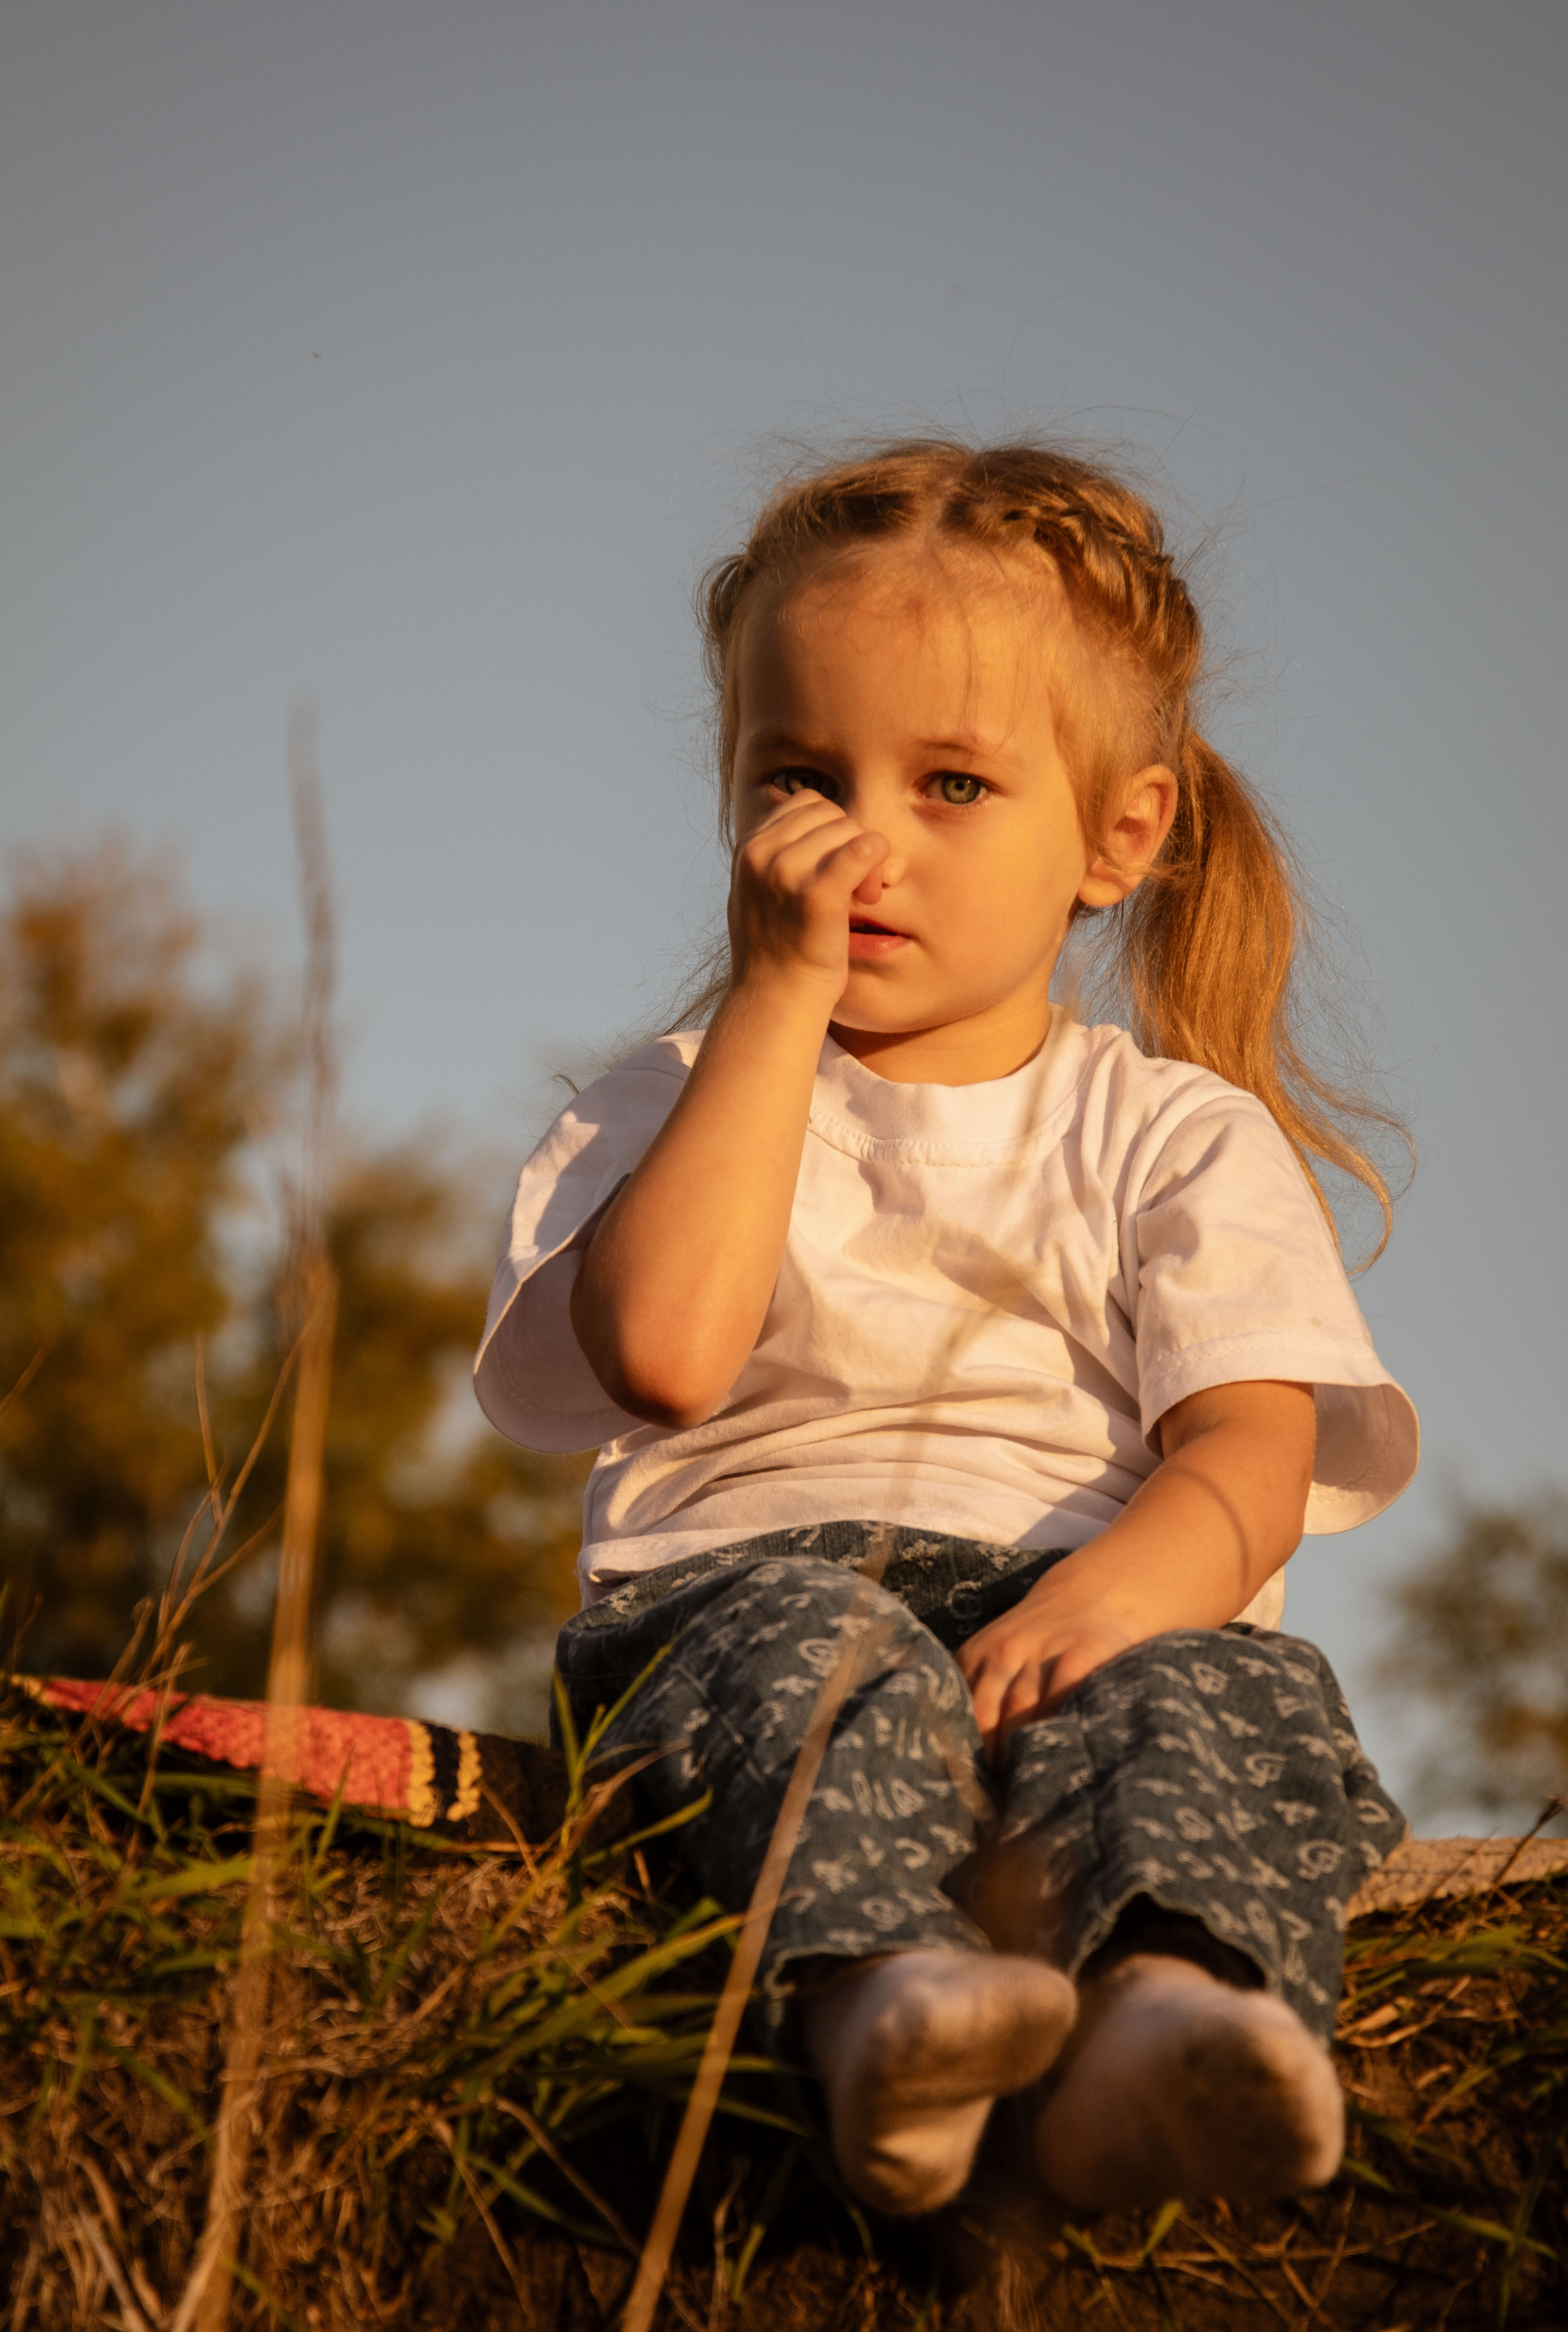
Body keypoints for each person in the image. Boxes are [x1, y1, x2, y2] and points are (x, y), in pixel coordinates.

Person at [474, 440, 1417, 2222]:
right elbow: (666, 1358)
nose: (866, 847)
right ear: (735, 800)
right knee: (807, 1659)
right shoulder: (671, 1101)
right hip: (736, 1595)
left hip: (1078, 1591)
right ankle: (882, 2002)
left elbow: (1248, 1442)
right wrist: (774, 997)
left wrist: (1120, 1593)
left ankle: (1166, 2013)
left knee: (1226, 1693)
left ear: (1119, 836)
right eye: (804, 778)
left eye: (957, 783)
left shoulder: (1170, 1135)